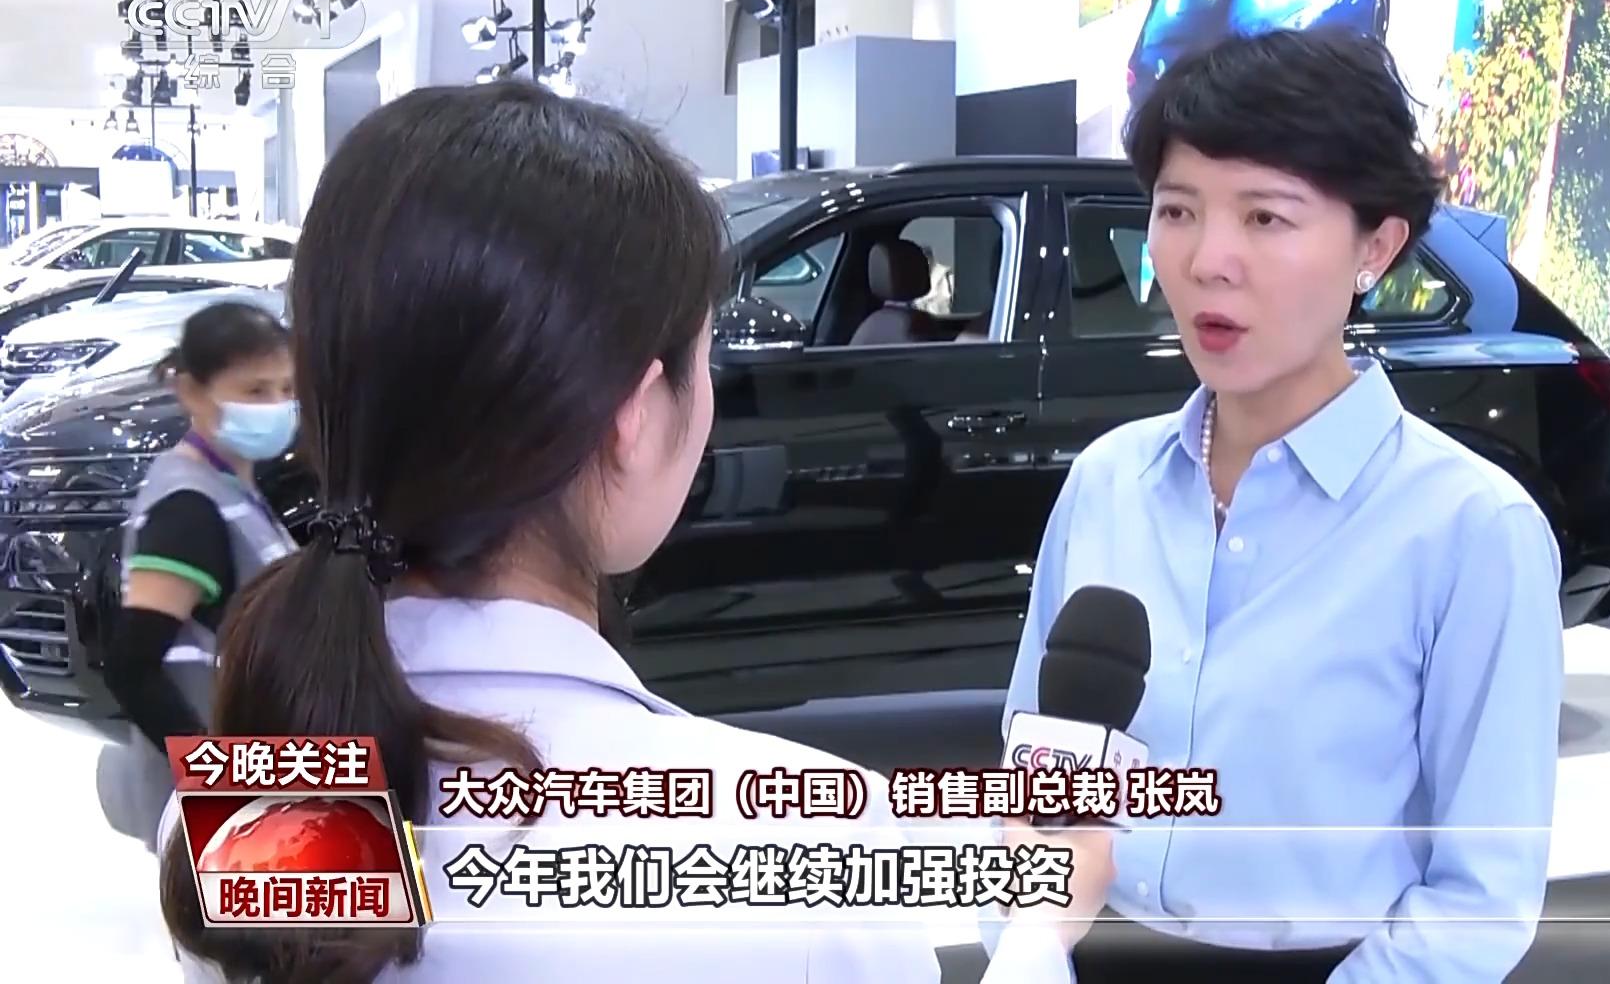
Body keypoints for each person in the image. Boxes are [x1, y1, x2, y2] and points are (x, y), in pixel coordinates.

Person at [156, 80, 1108, 983]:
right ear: (636, 415)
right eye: (706, 357)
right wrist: (1037, 935)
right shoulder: (800, 854)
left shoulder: (236, 813)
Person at [1002, 27, 1565, 982]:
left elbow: (1480, 897)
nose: (1209, 260)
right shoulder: (1106, 483)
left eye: (1265, 217)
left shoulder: (1471, 530)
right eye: (1178, 211)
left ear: (1376, 246)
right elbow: (1033, 802)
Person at [98, 301, 298, 847]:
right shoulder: (187, 508)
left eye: (286, 389)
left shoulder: (233, 487)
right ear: (191, 391)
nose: (277, 406)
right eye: (254, 390)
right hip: (220, 814)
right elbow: (132, 667)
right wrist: (218, 777)